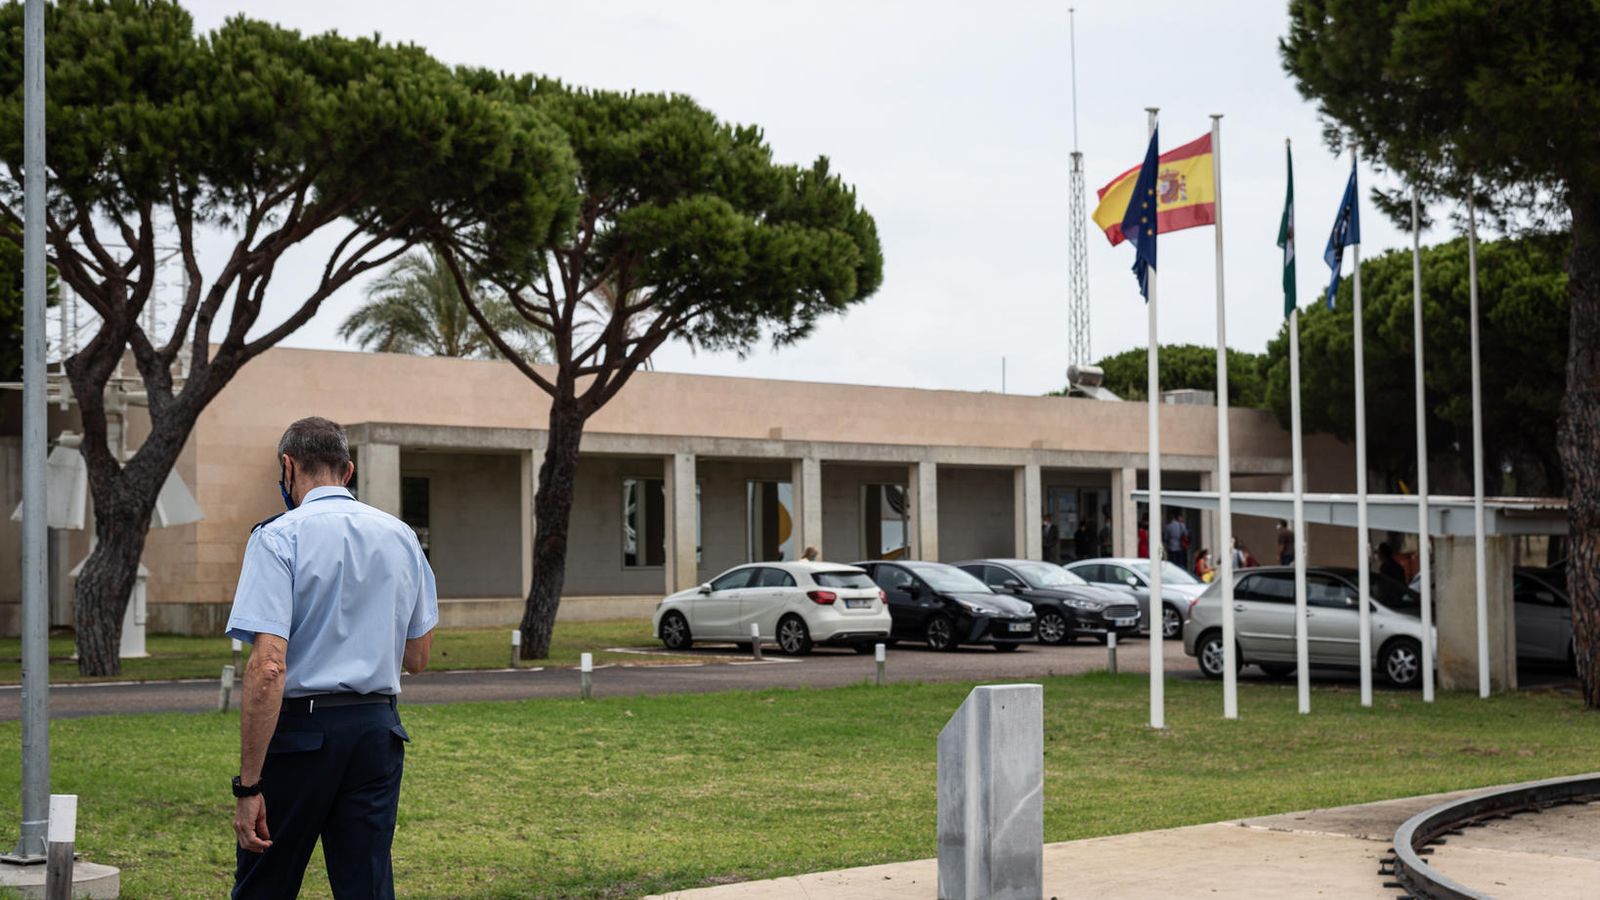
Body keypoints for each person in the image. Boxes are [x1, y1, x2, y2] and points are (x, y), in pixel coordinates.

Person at [226, 417, 439, 899]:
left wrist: (249, 786)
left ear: (288, 466)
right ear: (348, 471)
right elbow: (419, 656)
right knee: (366, 884)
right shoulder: (401, 536)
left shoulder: (278, 536)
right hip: (376, 733)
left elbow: (268, 668)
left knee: (266, 883)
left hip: (302, 733)